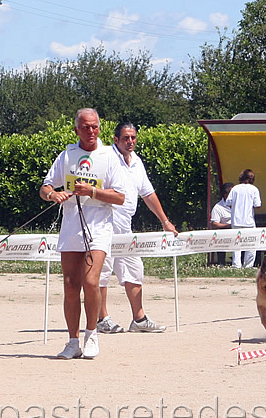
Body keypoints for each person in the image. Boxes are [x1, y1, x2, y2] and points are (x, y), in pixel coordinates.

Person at [40, 108, 125, 359]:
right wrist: (52, 194)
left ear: (100, 128)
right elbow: (45, 187)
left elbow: (120, 197)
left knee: (91, 281)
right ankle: (72, 341)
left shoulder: (110, 156)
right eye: (85, 127)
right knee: (69, 285)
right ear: (76, 129)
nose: (90, 131)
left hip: (98, 227)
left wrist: (93, 192)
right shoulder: (67, 155)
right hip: (71, 227)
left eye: (95, 127)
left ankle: (92, 334)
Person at [96, 122, 178, 335]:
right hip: (104, 223)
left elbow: (148, 194)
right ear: (116, 139)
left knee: (134, 268)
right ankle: (101, 318)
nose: (130, 141)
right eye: (125, 138)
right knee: (102, 271)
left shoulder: (137, 162)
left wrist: (165, 221)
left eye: (133, 137)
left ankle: (139, 319)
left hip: (125, 226)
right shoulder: (106, 157)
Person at [225, 169, 261, 268]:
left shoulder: (235, 189)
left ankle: (236, 265)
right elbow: (257, 205)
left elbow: (228, 203)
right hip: (249, 221)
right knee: (251, 244)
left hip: (236, 220)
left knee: (236, 245)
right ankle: (248, 265)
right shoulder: (254, 189)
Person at [210, 182, 234, 265]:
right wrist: (228, 226)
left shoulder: (239, 205)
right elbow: (214, 224)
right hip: (225, 233)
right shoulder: (218, 208)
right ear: (225, 195)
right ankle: (221, 263)